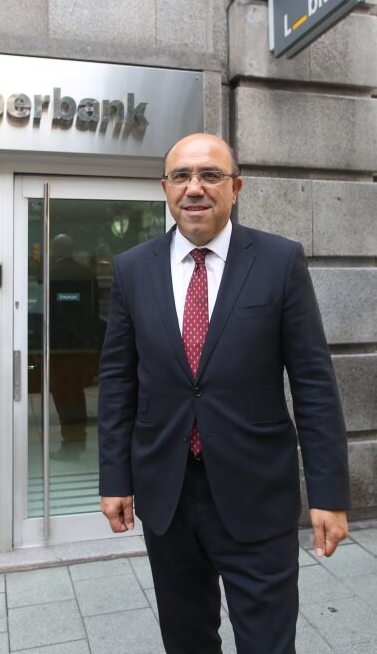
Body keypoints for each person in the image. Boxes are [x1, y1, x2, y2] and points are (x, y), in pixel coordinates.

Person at [98, 133, 350, 654]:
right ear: (164, 188)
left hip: (256, 495)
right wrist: (115, 478)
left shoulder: (280, 262)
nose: (195, 188)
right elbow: (119, 382)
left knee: (267, 643)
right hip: (166, 496)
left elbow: (314, 384)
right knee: (186, 641)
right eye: (181, 177)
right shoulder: (132, 269)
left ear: (235, 187)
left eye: (210, 175)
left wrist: (328, 493)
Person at [49, 234, 102, 457]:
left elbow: (50, 312)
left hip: (60, 346)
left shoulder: (51, 274)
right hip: (85, 344)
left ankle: (71, 441)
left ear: (54, 252)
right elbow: (95, 310)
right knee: (76, 390)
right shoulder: (87, 274)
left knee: (63, 391)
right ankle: (78, 436)